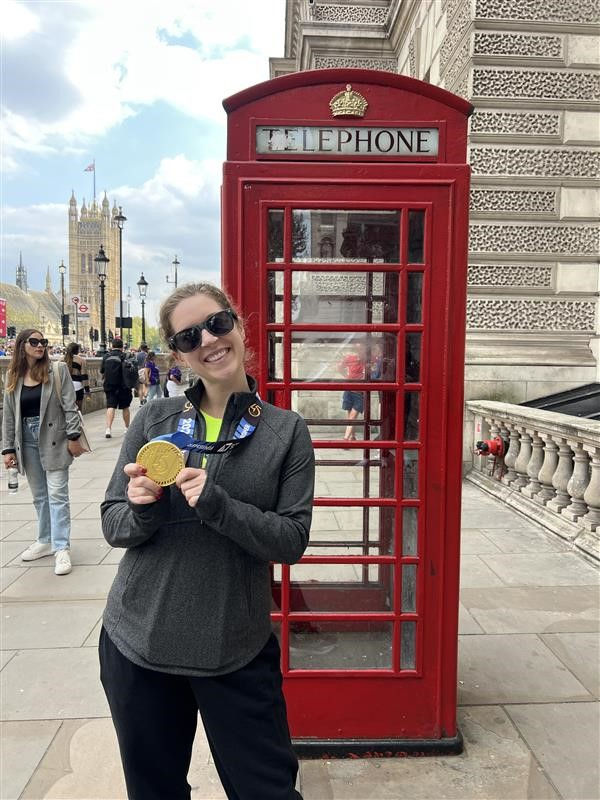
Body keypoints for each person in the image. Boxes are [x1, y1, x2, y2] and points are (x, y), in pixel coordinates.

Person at [99, 282, 314, 800]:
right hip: (139, 642)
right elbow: (113, 524)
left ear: (238, 325)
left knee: (269, 791)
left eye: (217, 324)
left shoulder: (285, 431)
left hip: (234, 647)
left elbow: (291, 540)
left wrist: (218, 505)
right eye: (189, 336)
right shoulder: (156, 419)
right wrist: (141, 505)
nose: (209, 341)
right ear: (177, 353)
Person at [1, 329, 85, 575]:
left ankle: (61, 548)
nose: (40, 346)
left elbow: (70, 406)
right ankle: (45, 540)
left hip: (54, 437)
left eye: (43, 342)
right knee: (39, 496)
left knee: (57, 494)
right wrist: (7, 448)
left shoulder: (57, 370)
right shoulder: (12, 375)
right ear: (21, 345)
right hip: (25, 439)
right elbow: (9, 415)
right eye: (34, 342)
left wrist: (73, 437)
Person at [101, 337, 132, 439]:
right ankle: (127, 428)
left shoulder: (106, 356)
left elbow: (102, 371)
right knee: (125, 407)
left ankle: (108, 429)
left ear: (112, 346)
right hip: (123, 386)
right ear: (122, 347)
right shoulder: (126, 356)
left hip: (110, 385)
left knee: (111, 406)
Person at [64, 342, 89, 411]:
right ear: (77, 350)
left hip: (65, 386)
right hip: (78, 386)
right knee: (78, 409)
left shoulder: (62, 359)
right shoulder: (81, 360)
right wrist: (87, 390)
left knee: (67, 409)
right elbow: (84, 376)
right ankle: (78, 421)